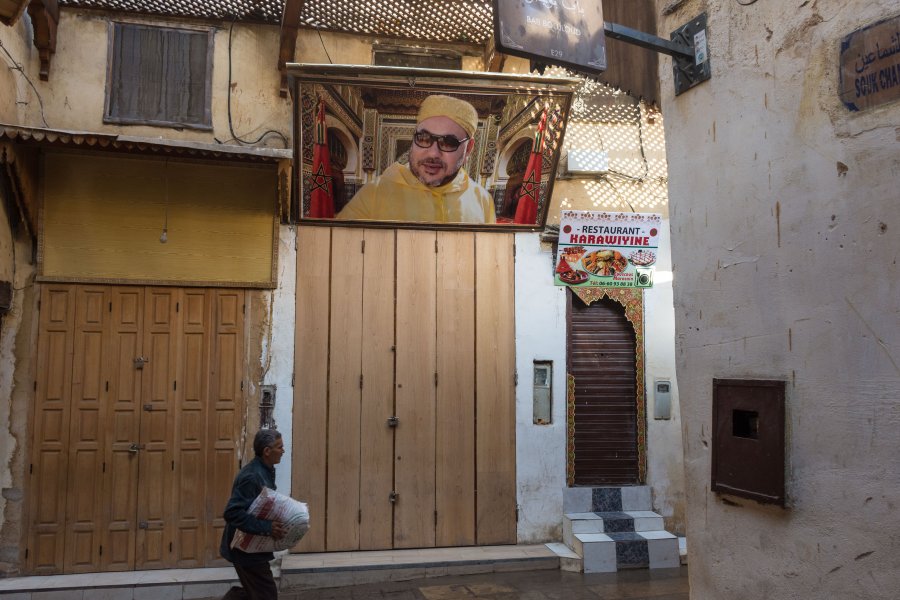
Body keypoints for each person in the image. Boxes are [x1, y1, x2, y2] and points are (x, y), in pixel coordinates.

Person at [336, 94, 496, 224]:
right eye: (424, 138)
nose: (433, 153)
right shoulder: (374, 195)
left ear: (468, 149)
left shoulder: (482, 200)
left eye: (448, 143)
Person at [221, 429, 287, 600]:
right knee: (266, 594)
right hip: (244, 549)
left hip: (252, 547)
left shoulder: (265, 470)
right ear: (267, 451)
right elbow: (232, 513)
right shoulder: (252, 476)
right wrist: (267, 527)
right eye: (280, 447)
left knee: (257, 593)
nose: (283, 451)